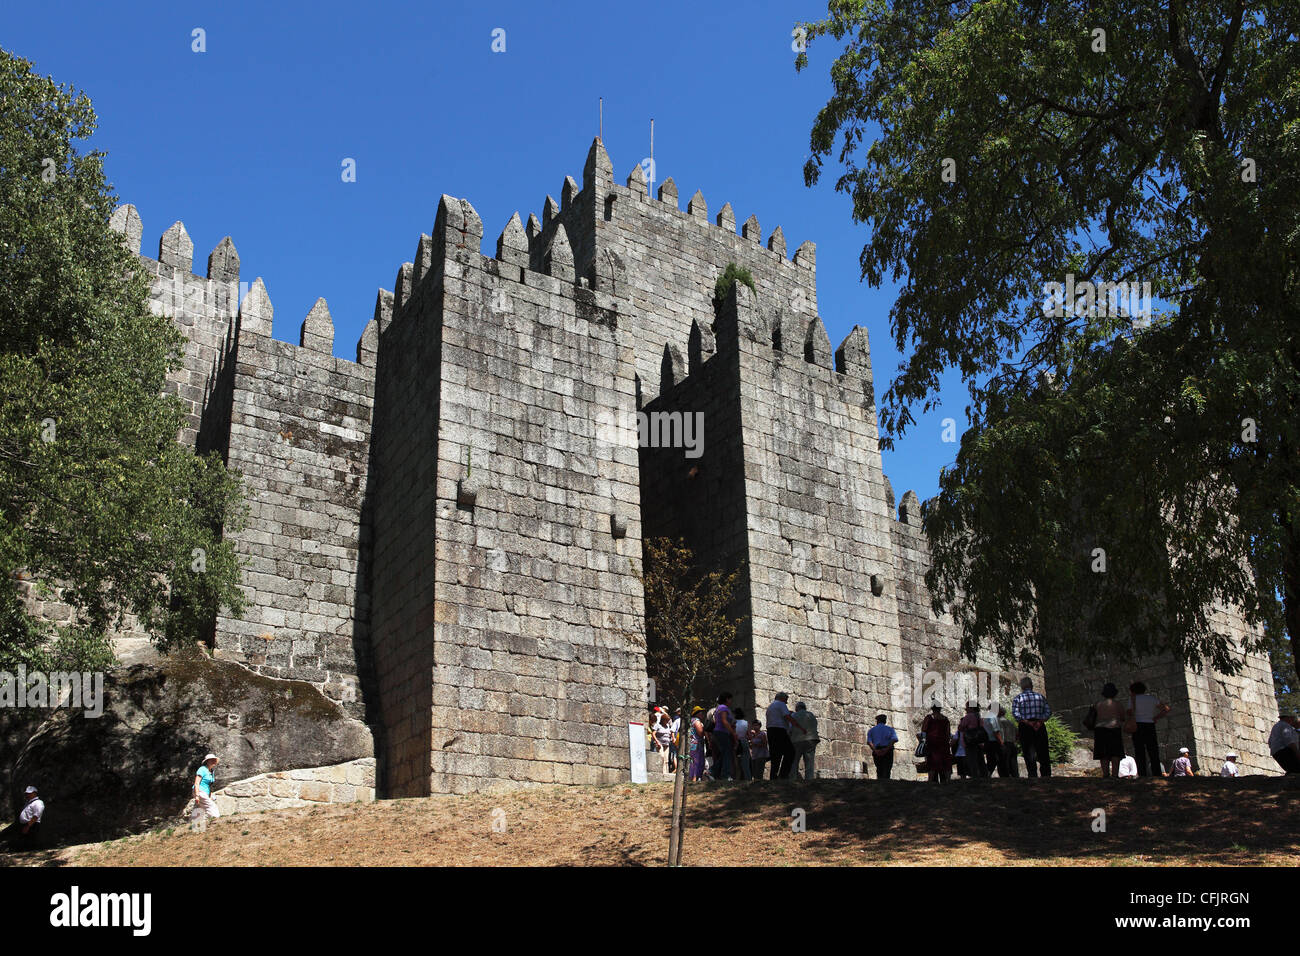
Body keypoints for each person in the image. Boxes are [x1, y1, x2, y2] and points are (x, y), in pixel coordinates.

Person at [1127, 681, 1171, 777]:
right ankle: (1157, 773)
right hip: (1150, 725)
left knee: (1139, 751)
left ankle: (1142, 774)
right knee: (1153, 750)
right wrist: (1156, 717)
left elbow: (1129, 712)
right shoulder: (1151, 698)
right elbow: (1166, 709)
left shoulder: (1132, 699)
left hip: (1137, 725)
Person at [1012, 677, 1052, 777]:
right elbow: (1048, 712)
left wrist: (1027, 722)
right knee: (1043, 751)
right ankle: (1046, 775)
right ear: (1031, 685)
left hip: (1025, 726)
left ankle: (1032, 774)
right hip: (1039, 725)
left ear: (1022, 686)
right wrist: (1040, 721)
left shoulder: (1018, 698)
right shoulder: (1040, 697)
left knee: (1028, 752)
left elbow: (1016, 714)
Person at [1092, 682, 1127, 778]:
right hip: (1114, 729)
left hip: (1100, 730)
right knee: (1115, 753)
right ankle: (1115, 774)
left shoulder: (1098, 704)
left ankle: (1105, 774)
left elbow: (1093, 717)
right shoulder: (1117, 704)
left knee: (1103, 753)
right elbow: (1123, 717)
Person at [766, 692, 797, 779]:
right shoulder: (781, 704)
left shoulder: (770, 706)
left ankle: (773, 776)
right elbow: (787, 717)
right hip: (779, 730)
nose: (786, 702)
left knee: (776, 754)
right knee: (791, 752)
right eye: (786, 700)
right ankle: (783, 775)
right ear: (782, 698)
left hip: (770, 730)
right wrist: (796, 724)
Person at [921, 703, 952, 782]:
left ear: (932, 709)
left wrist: (923, 741)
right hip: (944, 744)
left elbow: (924, 730)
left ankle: (931, 781)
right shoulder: (945, 719)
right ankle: (947, 781)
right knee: (945, 763)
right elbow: (948, 732)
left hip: (932, 744)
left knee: (932, 763)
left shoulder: (929, 718)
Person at [957, 700, 988, 778]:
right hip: (978, 741)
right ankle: (984, 776)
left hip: (970, 740)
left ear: (971, 707)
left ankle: (975, 776)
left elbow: (961, 727)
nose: (965, 709)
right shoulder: (979, 716)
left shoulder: (968, 716)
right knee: (980, 760)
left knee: (972, 760)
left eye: (967, 707)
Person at [710, 692, 737, 781]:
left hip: (721, 732)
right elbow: (724, 721)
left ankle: (712, 772)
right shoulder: (723, 707)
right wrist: (733, 732)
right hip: (722, 732)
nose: (731, 701)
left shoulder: (720, 708)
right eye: (730, 699)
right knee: (727, 753)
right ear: (727, 699)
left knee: (725, 753)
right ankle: (725, 775)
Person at [789, 701, 819, 780]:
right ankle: (809, 779)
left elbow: (790, 729)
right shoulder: (811, 715)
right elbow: (815, 725)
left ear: (797, 708)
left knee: (794, 761)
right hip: (811, 740)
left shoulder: (794, 715)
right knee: (809, 762)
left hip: (797, 740)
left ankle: (793, 779)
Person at [10, 786, 45, 851]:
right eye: (27, 793)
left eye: (29, 793)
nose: (27, 795)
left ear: (35, 793)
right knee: (24, 840)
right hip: (26, 824)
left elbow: (36, 815)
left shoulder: (38, 802)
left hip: (32, 824)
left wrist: (28, 826)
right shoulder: (28, 803)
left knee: (30, 840)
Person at [192, 753, 221, 826]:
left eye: (214, 760)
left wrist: (210, 795)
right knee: (211, 806)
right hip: (200, 791)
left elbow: (210, 785)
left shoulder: (211, 772)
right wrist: (197, 795)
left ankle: (196, 826)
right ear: (207, 761)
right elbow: (197, 783)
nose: (213, 762)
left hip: (205, 792)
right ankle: (215, 821)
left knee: (199, 808)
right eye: (211, 760)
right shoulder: (202, 769)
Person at [867, 714, 899, 780]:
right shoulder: (890, 729)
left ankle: (880, 783)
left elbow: (869, 742)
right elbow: (894, 739)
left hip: (877, 750)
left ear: (877, 721)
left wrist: (875, 750)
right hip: (888, 750)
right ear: (885, 721)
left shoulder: (871, 730)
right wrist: (886, 749)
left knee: (879, 768)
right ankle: (887, 784)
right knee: (887, 769)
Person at [995, 705, 1019, 776]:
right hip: (1012, 744)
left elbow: (997, 733)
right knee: (1013, 764)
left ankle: (1005, 779)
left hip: (1004, 744)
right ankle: (1015, 777)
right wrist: (1015, 741)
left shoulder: (998, 722)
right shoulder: (1010, 722)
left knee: (1003, 764)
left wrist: (1001, 743)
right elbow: (1017, 733)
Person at [688, 707, 708, 781]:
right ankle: (695, 778)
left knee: (692, 762)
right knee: (698, 761)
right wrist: (705, 732)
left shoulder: (690, 721)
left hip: (691, 744)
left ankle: (692, 778)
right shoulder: (696, 721)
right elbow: (700, 733)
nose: (702, 714)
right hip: (697, 745)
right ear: (697, 713)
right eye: (701, 712)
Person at [734, 708, 752, 781]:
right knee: (746, 763)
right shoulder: (746, 723)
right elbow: (749, 736)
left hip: (735, 742)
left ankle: (736, 779)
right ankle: (748, 779)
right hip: (743, 742)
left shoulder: (733, 723)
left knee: (735, 763)